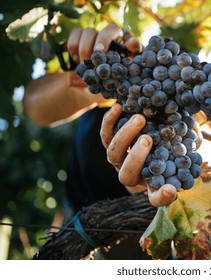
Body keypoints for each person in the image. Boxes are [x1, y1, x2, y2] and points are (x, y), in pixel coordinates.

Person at [22, 23, 178, 259]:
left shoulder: (188, 78)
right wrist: (85, 80)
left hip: (146, 230)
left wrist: (165, 170)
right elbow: (32, 106)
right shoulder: (116, 77)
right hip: (76, 219)